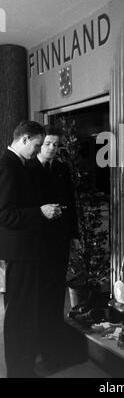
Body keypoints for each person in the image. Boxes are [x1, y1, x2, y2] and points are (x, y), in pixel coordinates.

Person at [0, 121, 61, 378]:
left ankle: (22, 368)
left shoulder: (17, 164)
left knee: (24, 313)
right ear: (24, 139)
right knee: (18, 315)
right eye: (37, 145)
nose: (38, 150)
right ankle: (18, 371)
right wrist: (40, 212)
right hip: (19, 254)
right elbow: (5, 214)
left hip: (25, 252)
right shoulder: (7, 164)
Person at [28, 126, 80, 373]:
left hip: (59, 241)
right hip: (37, 243)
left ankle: (54, 346)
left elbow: (71, 202)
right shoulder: (28, 169)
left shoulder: (61, 169)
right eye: (48, 143)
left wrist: (75, 234)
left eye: (55, 144)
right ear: (40, 144)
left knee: (57, 295)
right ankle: (39, 349)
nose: (51, 148)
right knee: (39, 296)